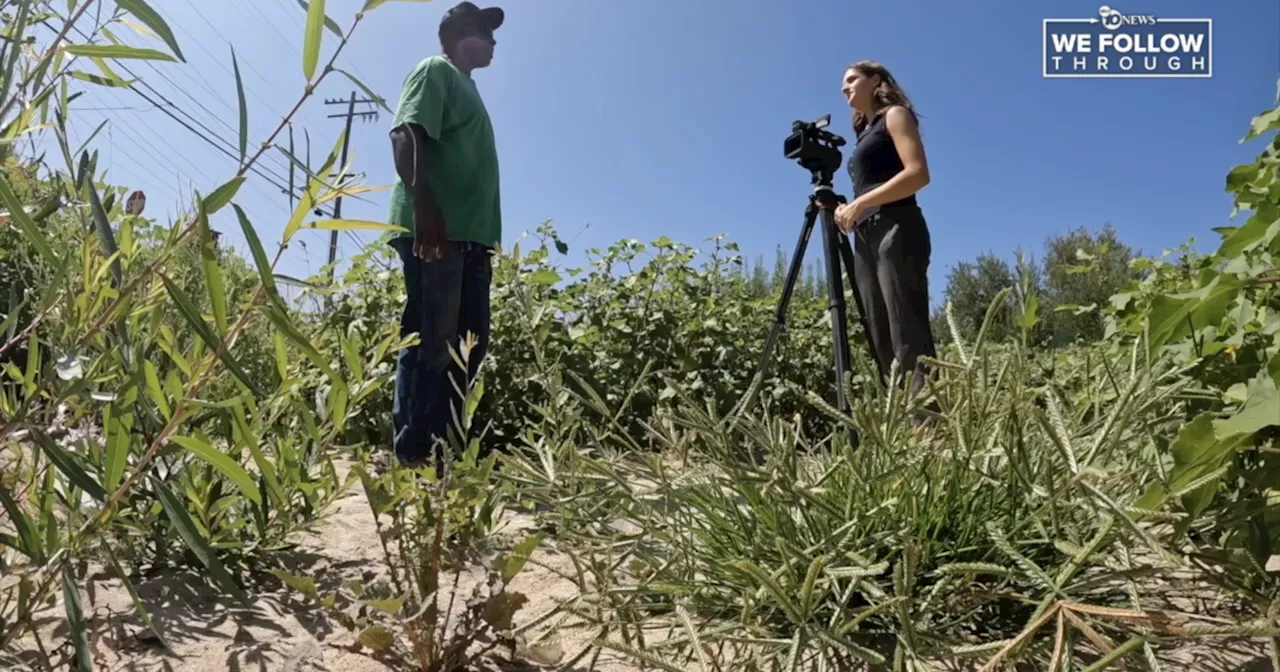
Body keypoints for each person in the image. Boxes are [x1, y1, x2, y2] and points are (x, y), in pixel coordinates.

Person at [385, 1, 504, 467]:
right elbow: (405, 135)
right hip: (440, 232)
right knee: (433, 339)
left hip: (472, 240)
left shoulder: (471, 91)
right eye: (486, 33)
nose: (495, 43)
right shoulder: (437, 70)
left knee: (469, 347)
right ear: (461, 32)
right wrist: (426, 210)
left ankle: (444, 453)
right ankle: (412, 453)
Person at [834, 60, 939, 404]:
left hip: (897, 226)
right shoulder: (863, 135)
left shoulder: (895, 115)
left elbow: (918, 175)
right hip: (865, 236)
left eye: (851, 79)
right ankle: (900, 427)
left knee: (906, 331)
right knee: (880, 335)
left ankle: (929, 427)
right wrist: (845, 208)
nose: (844, 87)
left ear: (874, 80)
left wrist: (861, 203)